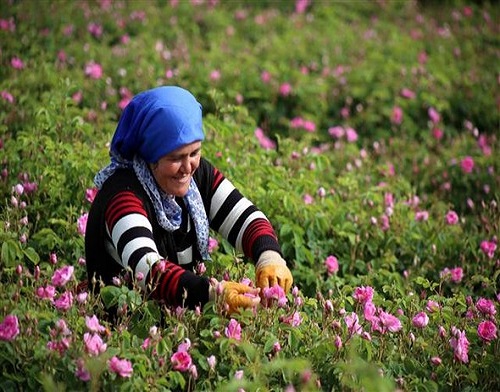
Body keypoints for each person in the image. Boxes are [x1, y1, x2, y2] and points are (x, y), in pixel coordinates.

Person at [84, 85, 293, 315]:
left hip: (179, 320)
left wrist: (269, 257)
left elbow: (244, 217)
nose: (187, 168)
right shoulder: (122, 195)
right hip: (125, 329)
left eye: (194, 153)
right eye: (175, 158)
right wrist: (213, 294)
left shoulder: (197, 175)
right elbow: (148, 270)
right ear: (151, 155)